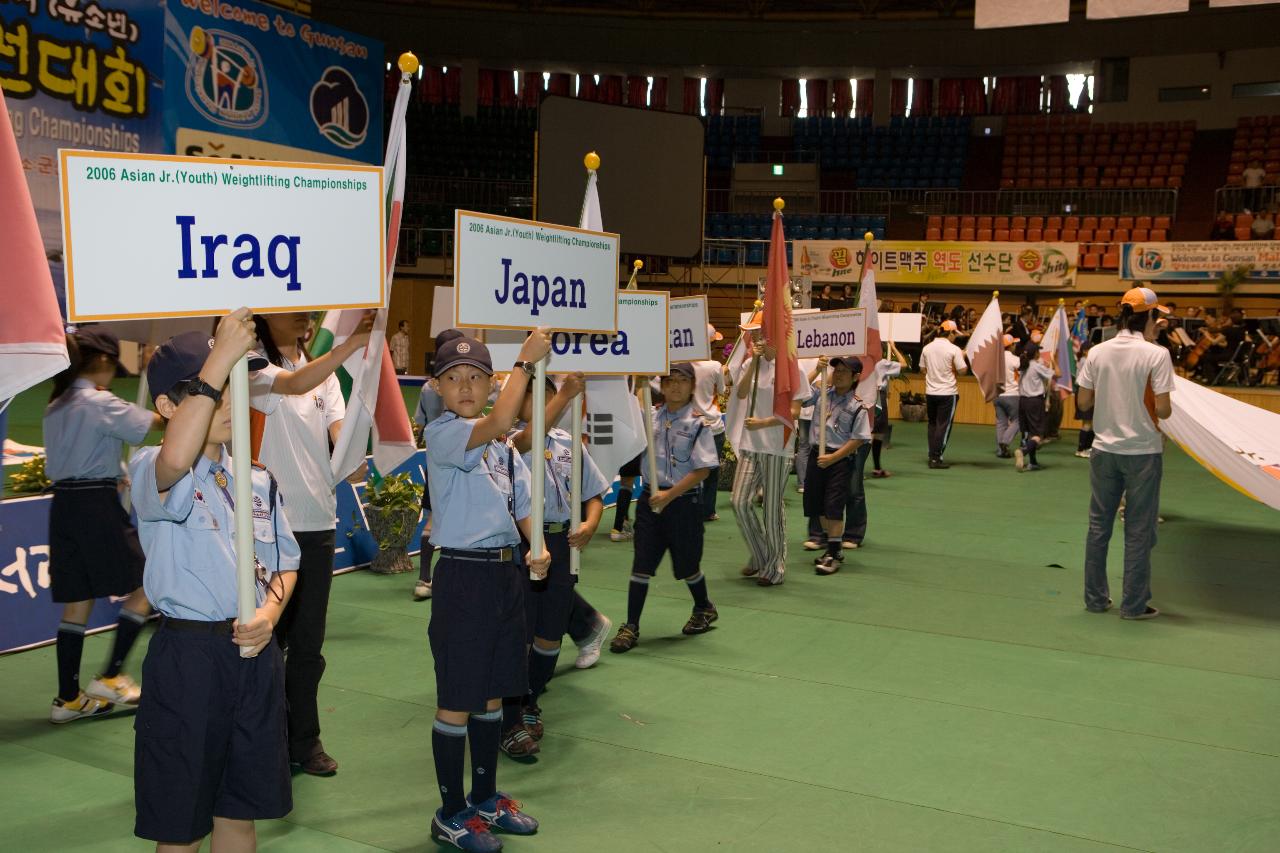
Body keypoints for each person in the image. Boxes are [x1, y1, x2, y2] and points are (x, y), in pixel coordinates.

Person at [129, 315, 300, 851]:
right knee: (181, 824)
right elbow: (177, 458)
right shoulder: (148, 468)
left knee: (238, 812)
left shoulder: (255, 478)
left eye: (235, 386)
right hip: (189, 661)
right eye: (213, 388)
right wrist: (218, 359)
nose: (228, 402)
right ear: (165, 407)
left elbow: (284, 563)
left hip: (253, 658)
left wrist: (268, 617)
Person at [423, 332, 551, 850]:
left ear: (491, 382)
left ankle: (484, 798)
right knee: (459, 697)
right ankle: (450, 813)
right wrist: (527, 359)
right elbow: (500, 418)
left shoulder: (498, 447)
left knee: (493, 692)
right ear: (436, 387)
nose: (465, 386)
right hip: (464, 577)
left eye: (476, 376)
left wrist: (536, 543)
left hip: (503, 576)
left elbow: (520, 500)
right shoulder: (446, 434)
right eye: (452, 378)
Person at [249, 310, 373, 777]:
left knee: (307, 646)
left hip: (318, 524)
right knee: (266, 641)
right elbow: (294, 384)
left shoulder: (325, 378)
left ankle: (305, 740)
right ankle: (262, 739)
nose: (304, 317)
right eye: (293, 309)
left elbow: (338, 436)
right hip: (268, 528)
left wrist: (352, 460)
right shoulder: (254, 365)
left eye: (308, 310)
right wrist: (350, 346)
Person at [44, 328, 162, 723]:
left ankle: (67, 699)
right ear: (106, 362)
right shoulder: (101, 403)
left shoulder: (55, 404)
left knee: (78, 600)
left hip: (63, 506)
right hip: (96, 504)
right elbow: (154, 424)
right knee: (148, 580)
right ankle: (111, 675)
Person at [498, 373, 609, 757]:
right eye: (535, 396)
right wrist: (564, 395)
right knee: (522, 630)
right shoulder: (508, 441)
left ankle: (531, 697)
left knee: (550, 634)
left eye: (547, 395)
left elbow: (593, 492)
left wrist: (591, 523)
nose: (543, 402)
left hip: (562, 542)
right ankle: (517, 705)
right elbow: (528, 438)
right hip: (526, 542)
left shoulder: (568, 442)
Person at [1077, 287, 1176, 620]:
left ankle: (1094, 599)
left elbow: (1083, 403)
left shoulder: (1097, 352)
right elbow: (1163, 410)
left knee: (1098, 527)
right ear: (1148, 316)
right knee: (1138, 530)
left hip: (1104, 449)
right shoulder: (1156, 354)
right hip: (1143, 451)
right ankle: (1133, 605)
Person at [610, 363, 719, 653]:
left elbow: (703, 471)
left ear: (693, 385)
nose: (675, 387)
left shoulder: (697, 423)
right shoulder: (650, 415)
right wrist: (638, 381)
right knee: (641, 564)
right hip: (650, 501)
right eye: (670, 380)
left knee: (687, 565)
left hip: (684, 502)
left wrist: (670, 494)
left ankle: (703, 607)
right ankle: (631, 625)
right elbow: (626, 425)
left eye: (683, 381)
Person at [731, 335, 809, 586]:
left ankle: (775, 565)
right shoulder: (751, 363)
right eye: (762, 336)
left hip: (778, 446)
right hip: (750, 445)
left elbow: (795, 412)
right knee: (739, 502)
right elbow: (741, 393)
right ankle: (760, 553)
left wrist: (764, 423)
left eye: (770, 335)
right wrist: (753, 360)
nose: (764, 341)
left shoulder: (793, 368)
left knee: (772, 508)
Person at [801, 357, 870, 575]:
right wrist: (816, 371)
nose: (838, 374)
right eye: (836, 370)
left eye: (844, 371)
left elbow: (859, 439)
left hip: (838, 460)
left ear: (855, 377)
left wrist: (834, 458)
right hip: (816, 456)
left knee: (833, 505)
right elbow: (801, 398)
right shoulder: (822, 394)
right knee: (817, 504)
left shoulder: (858, 406)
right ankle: (834, 546)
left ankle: (832, 553)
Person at [919, 319, 968, 468]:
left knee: (932, 424)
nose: (955, 337)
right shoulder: (954, 349)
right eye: (955, 334)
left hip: (931, 391)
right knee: (943, 426)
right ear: (951, 333)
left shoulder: (927, 348)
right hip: (947, 392)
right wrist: (962, 357)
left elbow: (922, 369)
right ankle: (935, 457)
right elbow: (963, 371)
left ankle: (931, 453)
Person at [691, 328, 727, 521]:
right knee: (712, 472)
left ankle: (692, 508)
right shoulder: (715, 366)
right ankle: (708, 511)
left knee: (691, 470)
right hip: (713, 425)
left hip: (692, 425)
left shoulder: (685, 365)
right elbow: (721, 391)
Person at [1013, 343, 1059, 472]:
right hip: (1035, 402)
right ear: (1036, 354)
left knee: (1029, 433)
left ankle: (1033, 462)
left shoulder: (1023, 366)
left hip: (1022, 401)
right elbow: (1058, 374)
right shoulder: (1036, 366)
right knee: (1038, 434)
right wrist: (1053, 360)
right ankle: (1024, 451)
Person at [869, 347, 902, 478]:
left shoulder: (862, 360)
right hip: (877, 396)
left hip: (863, 394)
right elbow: (903, 363)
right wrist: (894, 347)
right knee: (876, 434)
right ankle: (874, 468)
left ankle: (875, 468)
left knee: (872, 433)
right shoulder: (881, 363)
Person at [793, 356, 820, 491]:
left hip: (808, 408)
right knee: (809, 446)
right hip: (809, 408)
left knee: (804, 446)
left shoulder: (798, 359)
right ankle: (804, 482)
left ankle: (804, 483)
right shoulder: (822, 358)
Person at [993, 333, 1020, 459]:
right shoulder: (1015, 359)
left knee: (1001, 423)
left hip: (998, 395)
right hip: (1012, 394)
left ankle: (1001, 450)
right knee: (1018, 420)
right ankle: (1005, 442)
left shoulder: (994, 359)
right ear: (1011, 346)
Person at [1074, 343, 1096, 459]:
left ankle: (1087, 448)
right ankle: (1081, 449)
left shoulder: (1084, 360)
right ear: (1084, 351)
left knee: (1089, 423)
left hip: (1086, 391)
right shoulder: (1085, 361)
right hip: (1085, 392)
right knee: (1087, 423)